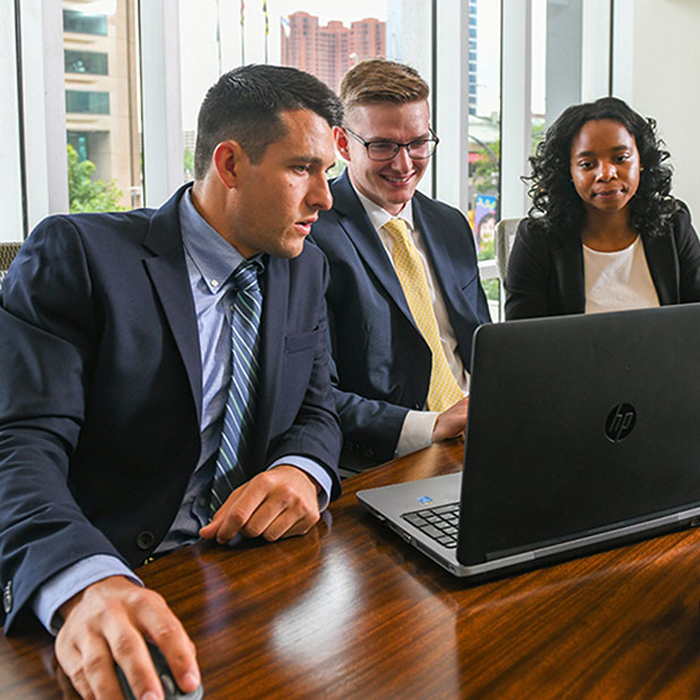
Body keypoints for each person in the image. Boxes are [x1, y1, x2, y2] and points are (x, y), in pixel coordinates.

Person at [0, 64, 343, 699]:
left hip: (247, 581)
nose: (324, 197)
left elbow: (318, 410)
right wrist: (82, 579)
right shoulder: (79, 255)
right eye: (303, 169)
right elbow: (19, 446)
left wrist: (303, 470)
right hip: (105, 584)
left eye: (329, 172)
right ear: (231, 164)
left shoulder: (305, 267)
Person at [310, 59, 491, 471]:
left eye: (418, 143)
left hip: (480, 438)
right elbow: (318, 395)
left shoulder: (449, 224)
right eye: (382, 146)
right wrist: (430, 426)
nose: (405, 164)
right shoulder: (313, 239)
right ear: (342, 144)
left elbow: (480, 343)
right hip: (386, 459)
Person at [505, 96, 700, 319]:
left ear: (642, 160)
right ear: (568, 172)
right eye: (587, 164)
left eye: (620, 158)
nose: (606, 174)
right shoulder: (537, 240)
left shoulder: (673, 224)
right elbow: (522, 342)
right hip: (572, 356)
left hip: (669, 355)